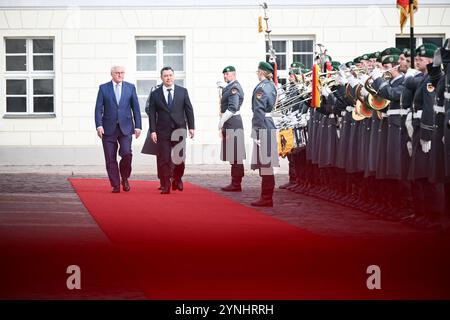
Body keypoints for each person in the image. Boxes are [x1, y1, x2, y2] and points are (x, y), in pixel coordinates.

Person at [94, 65, 142, 193]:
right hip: (108, 128)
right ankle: (115, 184)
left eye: (122, 73)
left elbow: (136, 108)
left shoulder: (130, 87)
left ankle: (124, 178)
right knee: (110, 158)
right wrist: (99, 125)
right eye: (117, 73)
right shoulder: (103, 88)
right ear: (112, 74)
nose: (120, 75)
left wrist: (138, 126)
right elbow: (98, 109)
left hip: (126, 128)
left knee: (127, 153)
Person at [148, 66, 195, 194]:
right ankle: (165, 185)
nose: (168, 77)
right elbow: (151, 113)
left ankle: (177, 178)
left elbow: (189, 110)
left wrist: (191, 127)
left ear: (173, 77)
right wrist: (153, 130)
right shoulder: (155, 94)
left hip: (179, 130)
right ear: (161, 78)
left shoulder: (182, 91)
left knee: (179, 159)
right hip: (162, 131)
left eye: (170, 75)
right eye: (165, 76)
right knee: (164, 159)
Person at [250, 61, 279, 207]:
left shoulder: (262, 88)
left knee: (266, 163)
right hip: (267, 124)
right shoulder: (270, 86)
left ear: (261, 72)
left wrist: (257, 130)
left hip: (263, 126)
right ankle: (266, 196)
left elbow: (258, 110)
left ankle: (267, 197)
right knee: (265, 162)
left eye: (257, 71)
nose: (257, 73)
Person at [218, 66, 246, 192]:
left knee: (235, 154)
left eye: (227, 74)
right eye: (224, 74)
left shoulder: (234, 88)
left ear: (233, 74)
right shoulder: (230, 87)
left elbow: (233, 107)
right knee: (232, 154)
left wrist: (222, 120)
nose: (225, 76)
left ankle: (236, 183)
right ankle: (235, 182)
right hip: (231, 122)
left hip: (232, 121)